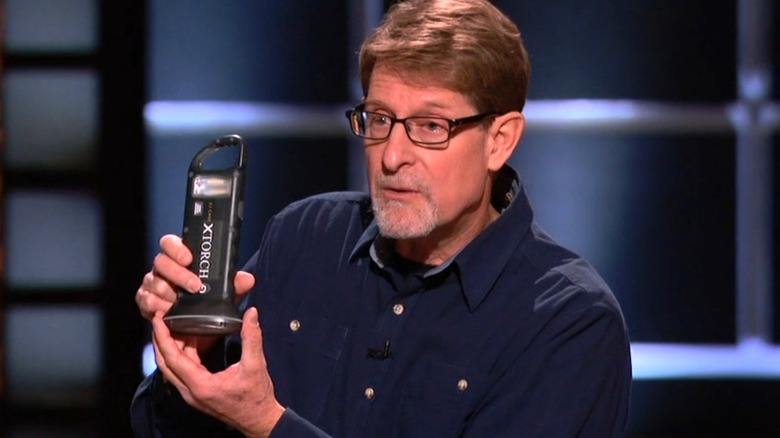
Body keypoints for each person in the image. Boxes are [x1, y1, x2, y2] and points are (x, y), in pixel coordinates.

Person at [131, 0, 632, 436]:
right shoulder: (304, 237)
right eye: (380, 119)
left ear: (499, 140)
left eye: (430, 126)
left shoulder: (569, 322)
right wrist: (196, 355)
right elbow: (161, 427)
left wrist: (268, 424)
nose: (391, 156)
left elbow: (256, 418)